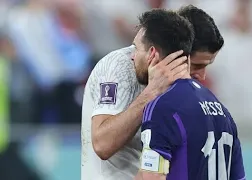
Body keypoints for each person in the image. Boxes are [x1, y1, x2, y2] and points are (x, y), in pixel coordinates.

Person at [81, 5, 225, 180]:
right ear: (175, 54)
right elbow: (102, 144)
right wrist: (152, 92)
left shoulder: (186, 95)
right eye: (197, 65)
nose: (202, 76)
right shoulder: (119, 67)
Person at [134, 11, 245, 180]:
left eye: (136, 49)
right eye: (198, 65)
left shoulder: (163, 106)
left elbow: (151, 177)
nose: (202, 75)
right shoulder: (223, 113)